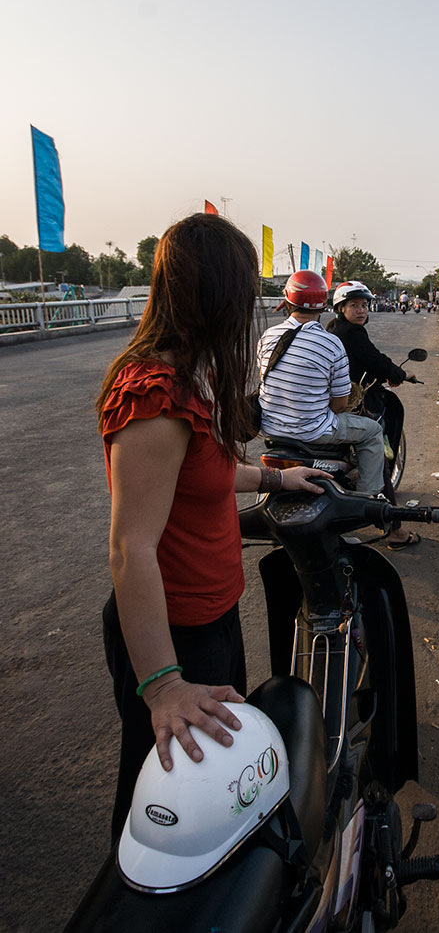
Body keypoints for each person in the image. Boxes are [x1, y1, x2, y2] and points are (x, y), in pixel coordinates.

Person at [96, 213, 329, 841]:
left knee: (217, 801)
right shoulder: (153, 398)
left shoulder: (187, 383)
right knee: (165, 808)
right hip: (172, 638)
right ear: (217, 296)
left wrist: (279, 479)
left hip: (210, 620)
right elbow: (130, 547)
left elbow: (208, 472)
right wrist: (164, 686)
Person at [257, 270, 385, 494]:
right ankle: (369, 499)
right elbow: (340, 404)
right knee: (373, 431)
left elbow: (266, 382)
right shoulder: (331, 344)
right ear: (325, 305)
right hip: (313, 431)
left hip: (270, 428)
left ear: (287, 301)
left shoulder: (267, 336)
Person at [327, 280, 421, 550]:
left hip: (329, 404)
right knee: (378, 453)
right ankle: (393, 530)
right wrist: (401, 374)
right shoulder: (352, 334)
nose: (361, 310)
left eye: (364, 305)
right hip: (352, 404)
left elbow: (366, 361)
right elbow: (375, 359)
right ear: (340, 308)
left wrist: (390, 373)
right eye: (354, 305)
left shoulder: (334, 329)